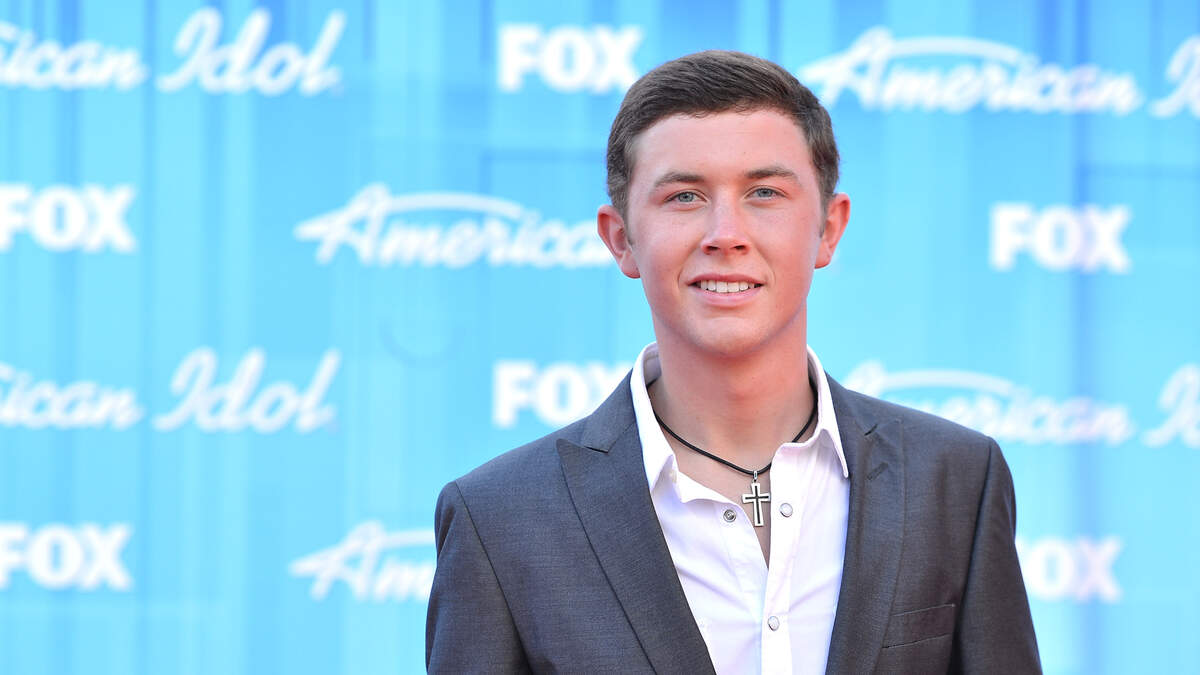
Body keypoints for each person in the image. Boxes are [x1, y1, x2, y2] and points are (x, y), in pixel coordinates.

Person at [426, 50, 1040, 674]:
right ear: (621, 239)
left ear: (829, 227)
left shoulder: (954, 480)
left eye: (764, 193)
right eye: (685, 196)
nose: (726, 233)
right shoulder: (500, 519)